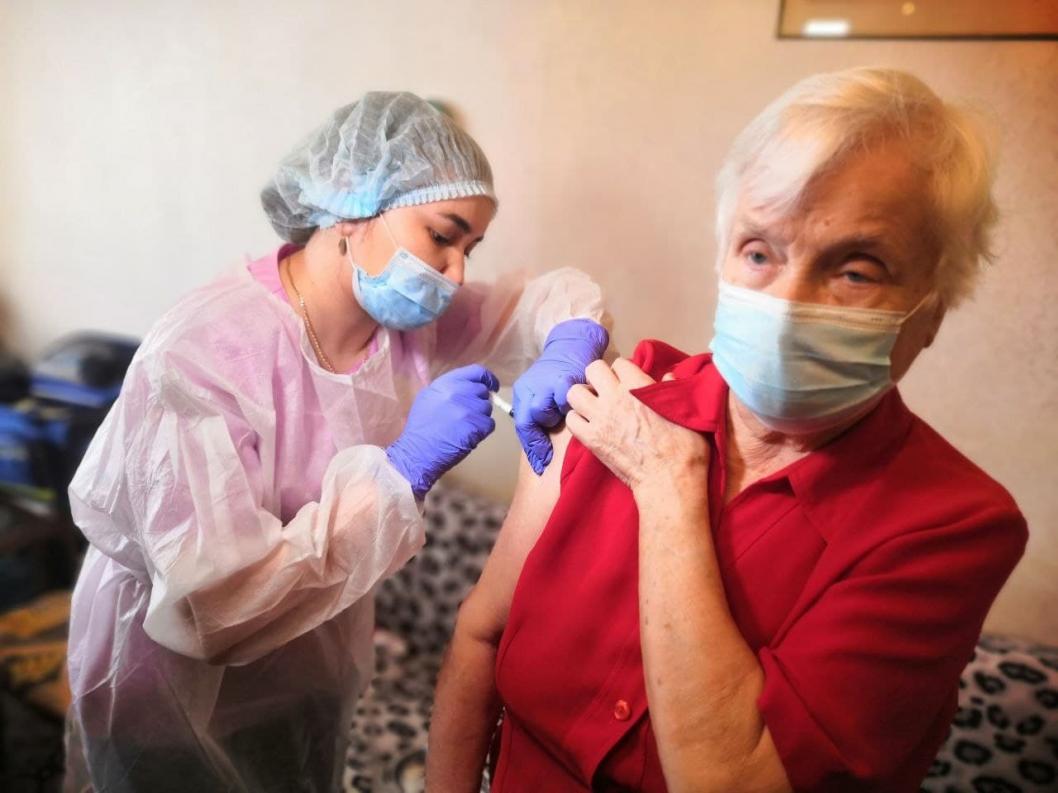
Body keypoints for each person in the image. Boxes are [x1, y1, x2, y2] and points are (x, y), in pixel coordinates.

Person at [426, 68, 1028, 792]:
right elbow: (481, 635)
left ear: (933, 310)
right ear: (722, 260)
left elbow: (736, 779)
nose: (790, 304)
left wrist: (666, 484)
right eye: (760, 252)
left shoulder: (950, 527)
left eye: (857, 270)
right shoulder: (615, 402)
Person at [62, 91, 609, 793]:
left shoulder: (411, 326)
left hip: (309, 661)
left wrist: (569, 342)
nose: (457, 273)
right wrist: (402, 473)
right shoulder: (203, 351)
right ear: (353, 205)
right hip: (172, 687)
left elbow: (540, 303)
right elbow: (208, 606)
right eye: (442, 236)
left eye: (470, 249)